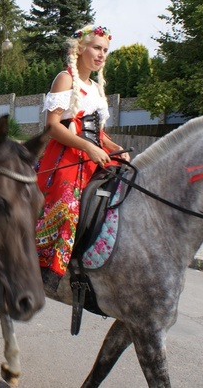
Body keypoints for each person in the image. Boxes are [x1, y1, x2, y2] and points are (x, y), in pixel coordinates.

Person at [35, 24, 129, 294]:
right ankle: (47, 268)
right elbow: (52, 126)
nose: (102, 55)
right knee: (68, 205)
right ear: (80, 49)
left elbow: (98, 133)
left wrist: (115, 147)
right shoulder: (65, 79)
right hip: (67, 154)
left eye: (105, 50)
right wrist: (88, 148)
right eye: (97, 48)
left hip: (94, 154)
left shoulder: (97, 89)